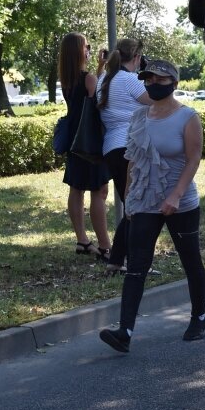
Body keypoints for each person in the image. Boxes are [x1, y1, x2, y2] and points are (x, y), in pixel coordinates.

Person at [99, 59, 205, 352]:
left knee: (190, 260)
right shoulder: (139, 116)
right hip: (145, 200)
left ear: (173, 83)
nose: (153, 85)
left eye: (160, 81)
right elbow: (133, 159)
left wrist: (176, 195)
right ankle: (124, 332)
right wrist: (129, 197)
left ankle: (199, 317)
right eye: (148, 80)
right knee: (137, 264)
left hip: (181, 201)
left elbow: (193, 159)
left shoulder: (188, 117)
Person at [96, 39, 153, 274]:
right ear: (137, 58)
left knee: (133, 205)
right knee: (137, 206)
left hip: (111, 148)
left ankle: (116, 261)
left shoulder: (104, 80)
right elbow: (159, 102)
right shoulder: (130, 80)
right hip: (131, 148)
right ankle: (132, 262)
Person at [57, 32, 112, 261]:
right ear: (79, 51)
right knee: (99, 191)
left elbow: (87, 97)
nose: (89, 50)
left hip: (74, 141)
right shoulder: (88, 78)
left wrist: (99, 68)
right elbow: (99, 101)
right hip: (91, 143)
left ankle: (82, 240)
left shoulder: (69, 79)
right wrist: (103, 73)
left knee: (76, 189)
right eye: (86, 46)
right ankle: (106, 246)